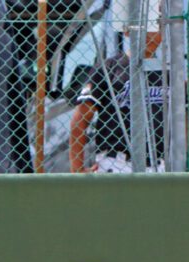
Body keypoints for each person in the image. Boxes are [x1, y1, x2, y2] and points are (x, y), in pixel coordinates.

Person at [69, 31, 165, 173]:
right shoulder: (110, 67)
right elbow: (81, 118)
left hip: (159, 163)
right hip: (116, 162)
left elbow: (182, 119)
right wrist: (77, 170)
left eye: (155, 26)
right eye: (143, 28)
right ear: (127, 31)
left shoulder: (168, 71)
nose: (149, 35)